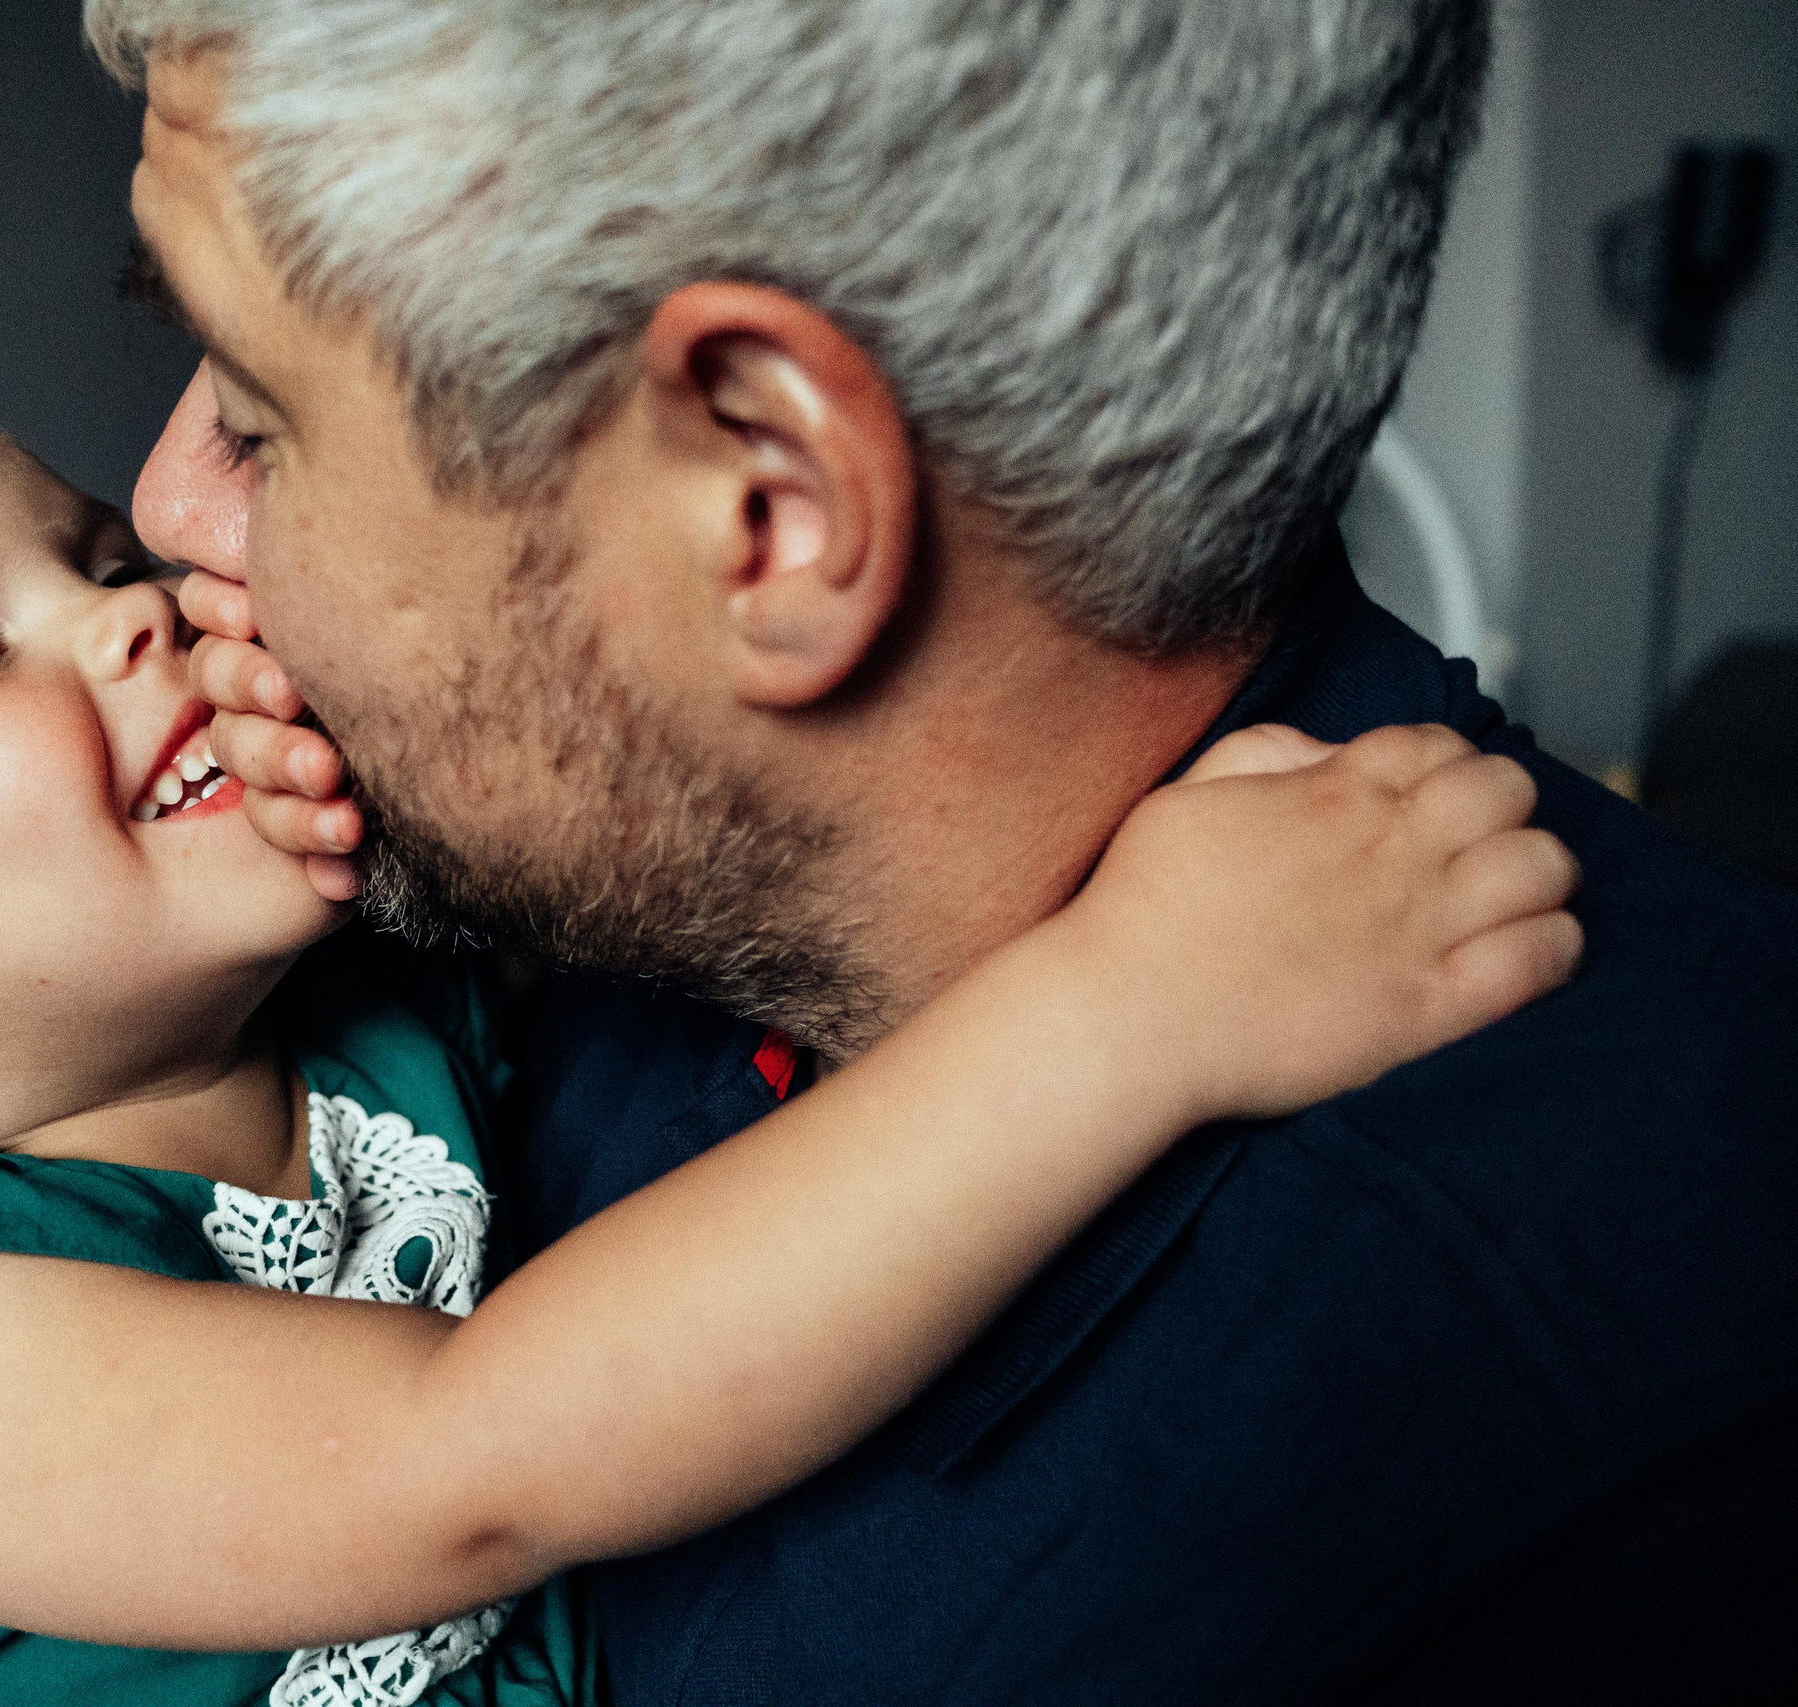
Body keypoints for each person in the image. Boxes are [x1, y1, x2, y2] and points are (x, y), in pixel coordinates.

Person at [0, 368, 1572, 1703]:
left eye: (81, 554)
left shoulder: (362, 1004)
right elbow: (474, 1455)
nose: (137, 609)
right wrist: (1135, 1003)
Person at [94, 0, 1798, 1698]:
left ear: (775, 510)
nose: (165, 509)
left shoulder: (1570, 1453)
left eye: (258, 413)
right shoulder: (593, 950)